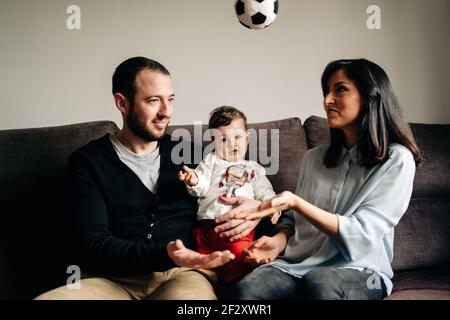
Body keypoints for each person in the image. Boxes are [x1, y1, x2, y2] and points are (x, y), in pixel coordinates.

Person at [35, 57, 261, 300]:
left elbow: (256, 188)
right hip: (110, 280)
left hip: (182, 276)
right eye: (154, 101)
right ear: (122, 103)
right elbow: (93, 241)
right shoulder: (88, 162)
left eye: (170, 100)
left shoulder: (193, 154)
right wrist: (166, 254)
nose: (166, 112)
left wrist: (257, 208)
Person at [227, 58, 422, 300]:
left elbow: (362, 235)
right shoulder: (313, 158)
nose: (327, 100)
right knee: (246, 290)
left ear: (370, 95)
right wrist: (278, 241)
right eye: (326, 91)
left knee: (320, 283)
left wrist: (296, 202)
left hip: (361, 271)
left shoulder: (397, 159)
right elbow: (293, 222)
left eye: (340, 89)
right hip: (294, 267)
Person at [167, 106, 279, 283]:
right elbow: (202, 183)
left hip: (239, 229)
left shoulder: (254, 168)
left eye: (237, 137)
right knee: (202, 265)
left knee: (239, 258)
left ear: (247, 139)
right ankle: (211, 284)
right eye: (223, 140)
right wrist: (194, 179)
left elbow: (264, 191)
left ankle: (235, 288)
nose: (232, 144)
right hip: (206, 228)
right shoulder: (212, 160)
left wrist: (271, 205)